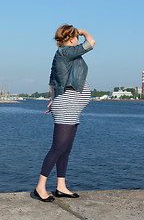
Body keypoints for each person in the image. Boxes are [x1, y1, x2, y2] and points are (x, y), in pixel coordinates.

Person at [34, 24, 95, 202]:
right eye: (76, 36)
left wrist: (53, 98)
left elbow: (52, 80)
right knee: (57, 148)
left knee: (65, 150)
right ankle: (40, 187)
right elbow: (91, 43)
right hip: (67, 106)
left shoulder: (63, 55)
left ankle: (61, 186)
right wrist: (83, 32)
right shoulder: (66, 51)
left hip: (71, 106)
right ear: (71, 38)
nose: (78, 39)